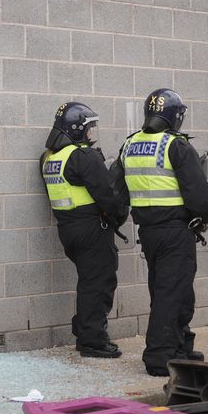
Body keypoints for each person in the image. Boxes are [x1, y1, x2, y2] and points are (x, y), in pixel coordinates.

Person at [111, 88, 208, 376]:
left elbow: (115, 188)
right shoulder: (176, 146)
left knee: (175, 292)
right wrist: (202, 218)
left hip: (150, 232)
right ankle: (158, 357)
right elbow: (199, 194)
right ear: (175, 117)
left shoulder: (129, 144)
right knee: (170, 294)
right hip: (175, 231)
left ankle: (181, 347)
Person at [41, 102, 128, 358]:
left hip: (68, 229)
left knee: (88, 283)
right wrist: (119, 214)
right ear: (77, 129)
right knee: (98, 284)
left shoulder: (50, 158)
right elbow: (106, 196)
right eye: (89, 129)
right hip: (91, 229)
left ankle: (86, 334)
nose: (92, 134)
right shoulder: (84, 156)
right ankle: (93, 340)